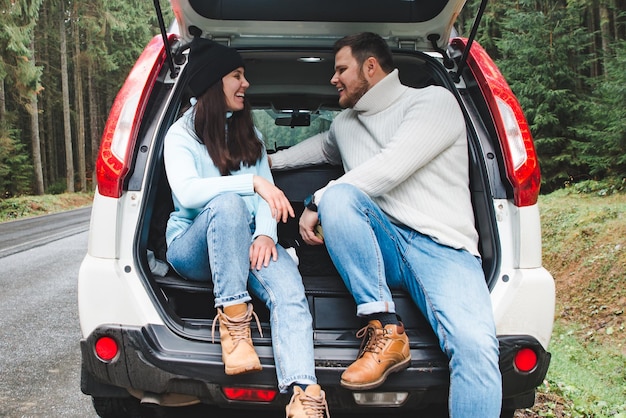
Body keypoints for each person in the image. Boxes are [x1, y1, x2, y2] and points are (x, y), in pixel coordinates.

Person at [270, 32, 502, 417]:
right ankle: (384, 328)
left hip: (443, 250)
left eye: (341, 69)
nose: (333, 79)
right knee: (341, 196)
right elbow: (309, 152)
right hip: (383, 247)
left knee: (476, 346)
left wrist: (316, 200)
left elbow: (389, 168)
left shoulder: (433, 101)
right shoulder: (345, 124)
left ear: (371, 66)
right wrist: (255, 165)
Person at [164, 38, 329, 418]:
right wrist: (249, 184)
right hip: (194, 249)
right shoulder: (179, 136)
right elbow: (188, 194)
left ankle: (305, 395)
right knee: (227, 204)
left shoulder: (246, 134)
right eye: (237, 76)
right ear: (211, 82)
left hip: (248, 241)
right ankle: (234, 326)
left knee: (290, 294)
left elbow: (268, 198)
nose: (246, 84)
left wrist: (267, 234)